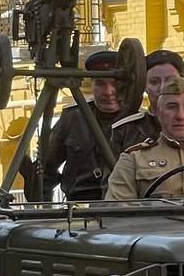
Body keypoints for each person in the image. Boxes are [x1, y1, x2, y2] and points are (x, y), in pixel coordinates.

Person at [24, 49, 122, 202]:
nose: (108, 91)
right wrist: (44, 211)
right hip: (79, 211)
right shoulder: (74, 118)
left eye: (114, 84)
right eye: (100, 84)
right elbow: (46, 172)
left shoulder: (139, 123)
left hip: (127, 210)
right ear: (92, 86)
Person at [110, 49, 184, 155]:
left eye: (171, 81)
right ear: (144, 86)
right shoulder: (126, 131)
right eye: (154, 82)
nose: (162, 87)